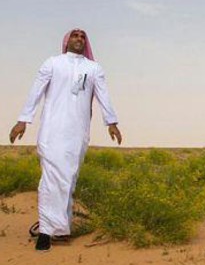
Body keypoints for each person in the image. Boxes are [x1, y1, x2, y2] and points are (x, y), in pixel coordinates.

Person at [9, 29, 122, 252]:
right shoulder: (52, 63)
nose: (79, 39)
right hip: (52, 129)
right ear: (66, 41)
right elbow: (36, 91)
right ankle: (45, 232)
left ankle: (59, 228)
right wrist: (23, 120)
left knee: (67, 179)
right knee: (51, 178)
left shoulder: (94, 68)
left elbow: (103, 96)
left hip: (77, 133)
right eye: (75, 35)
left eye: (83, 36)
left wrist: (111, 122)